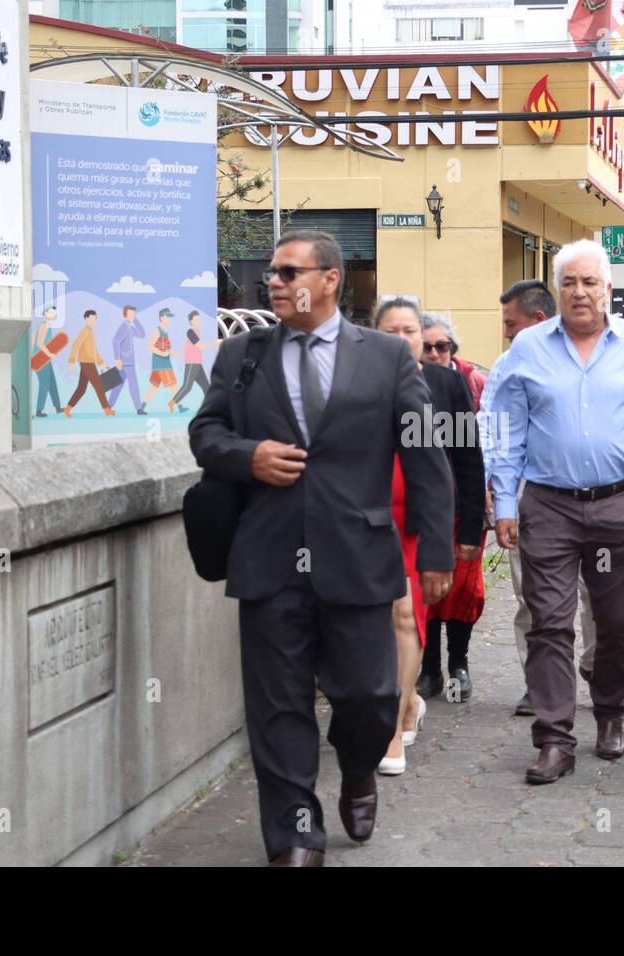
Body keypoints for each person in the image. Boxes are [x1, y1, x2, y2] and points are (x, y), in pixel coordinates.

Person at [188, 230, 454, 866]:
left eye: (287, 271)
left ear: (329, 279)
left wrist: (439, 548)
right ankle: (296, 834)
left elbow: (424, 450)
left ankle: (360, 769)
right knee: (278, 703)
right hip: (269, 558)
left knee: (367, 696)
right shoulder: (242, 354)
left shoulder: (387, 357)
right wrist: (247, 456)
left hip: (359, 558)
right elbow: (204, 433)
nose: (273, 282)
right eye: (272, 273)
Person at [491, 239, 624, 785]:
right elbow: (505, 426)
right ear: (558, 290)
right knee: (548, 622)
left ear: (608, 290)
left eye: (590, 282)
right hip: (547, 506)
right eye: (569, 282)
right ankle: (553, 738)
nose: (580, 292)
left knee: (617, 624)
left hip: (621, 507)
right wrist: (503, 500)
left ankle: (611, 712)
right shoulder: (528, 349)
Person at [373, 299, 483, 773]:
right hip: (364, 520)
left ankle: (393, 728)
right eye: (390, 330)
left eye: (411, 331)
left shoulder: (444, 382)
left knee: (405, 614)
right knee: (369, 621)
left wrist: (469, 526)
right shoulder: (353, 383)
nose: (403, 339)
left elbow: (465, 459)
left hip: (418, 521)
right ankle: (409, 698)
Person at [483, 279, 599, 718]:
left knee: (600, 595)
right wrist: (498, 493)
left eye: (511, 324)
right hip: (534, 496)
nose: (507, 334)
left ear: (536, 319)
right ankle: (541, 682)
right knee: (533, 595)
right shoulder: (508, 365)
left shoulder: (600, 356)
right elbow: (491, 427)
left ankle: (595, 669)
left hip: (602, 495)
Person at [415, 311, 488, 703]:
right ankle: (428, 669)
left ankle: (458, 662)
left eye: (441, 346)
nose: (433, 353)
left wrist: (474, 524)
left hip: (458, 508)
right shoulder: (402, 384)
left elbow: (469, 460)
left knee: (462, 590)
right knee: (426, 592)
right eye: (426, 347)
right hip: (419, 512)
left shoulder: (461, 384)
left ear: (452, 349)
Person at [64, 310, 114, 417]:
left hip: (89, 362)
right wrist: (71, 361)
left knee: (81, 389)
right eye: (91, 318)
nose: (94, 320)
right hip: (86, 363)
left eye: (95, 318)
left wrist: (102, 363)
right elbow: (75, 345)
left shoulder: (91, 332)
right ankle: (107, 410)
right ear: (86, 319)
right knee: (99, 386)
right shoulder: (85, 331)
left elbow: (94, 350)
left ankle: (67, 409)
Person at [171, 310, 218, 413]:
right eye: (196, 319)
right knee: (187, 386)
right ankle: (172, 402)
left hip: (197, 363)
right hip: (192, 363)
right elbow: (200, 346)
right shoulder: (190, 332)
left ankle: (211, 408)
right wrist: (216, 342)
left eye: (199, 319)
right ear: (191, 321)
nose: (198, 321)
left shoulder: (197, 332)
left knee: (206, 386)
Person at [107, 305, 147, 415]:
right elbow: (115, 341)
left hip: (128, 362)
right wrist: (117, 359)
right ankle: (138, 409)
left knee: (118, 386)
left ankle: (108, 407)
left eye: (134, 313)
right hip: (125, 362)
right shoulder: (124, 326)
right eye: (132, 313)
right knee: (132, 384)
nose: (134, 314)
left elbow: (142, 334)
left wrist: (136, 320)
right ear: (127, 313)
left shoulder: (129, 326)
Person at [142, 308, 181, 414]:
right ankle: (180, 406)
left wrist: (173, 353)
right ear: (161, 317)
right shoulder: (157, 331)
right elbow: (150, 347)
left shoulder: (165, 332)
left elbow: (165, 348)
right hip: (162, 364)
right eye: (167, 316)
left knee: (154, 386)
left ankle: (142, 407)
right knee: (173, 385)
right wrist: (163, 353)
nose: (169, 319)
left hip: (162, 363)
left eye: (169, 317)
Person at [32, 306, 63, 418]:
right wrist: (49, 354)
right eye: (51, 311)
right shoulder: (44, 326)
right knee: (44, 384)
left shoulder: (46, 326)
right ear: (45, 313)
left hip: (44, 359)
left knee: (52, 383)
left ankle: (58, 407)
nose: (54, 313)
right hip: (40, 359)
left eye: (55, 311)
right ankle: (39, 410)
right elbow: (39, 344)